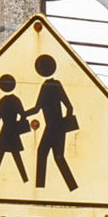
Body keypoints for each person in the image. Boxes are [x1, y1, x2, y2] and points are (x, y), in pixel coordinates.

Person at [27, 55, 79, 192]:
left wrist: (64, 125)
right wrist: (64, 125)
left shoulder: (52, 85)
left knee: (44, 153)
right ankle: (72, 187)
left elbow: (69, 106)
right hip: (55, 127)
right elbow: (39, 108)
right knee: (58, 157)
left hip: (54, 127)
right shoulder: (50, 85)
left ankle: (39, 188)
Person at [0, 74, 30, 184]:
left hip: (6, 131)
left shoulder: (3, 101)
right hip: (12, 131)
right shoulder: (15, 100)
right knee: (9, 156)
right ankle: (24, 179)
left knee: (6, 156)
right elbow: (23, 115)